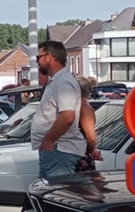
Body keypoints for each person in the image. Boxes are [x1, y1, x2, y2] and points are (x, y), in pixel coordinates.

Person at [31, 41, 86, 179]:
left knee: (59, 190)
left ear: (50, 57)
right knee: (46, 190)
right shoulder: (56, 81)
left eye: (39, 57)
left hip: (59, 149)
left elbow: (67, 116)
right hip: (53, 149)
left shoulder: (64, 82)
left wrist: (48, 140)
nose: (37, 61)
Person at [75, 76, 103, 171]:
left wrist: (91, 150)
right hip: (79, 153)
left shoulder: (84, 108)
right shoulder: (79, 107)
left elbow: (91, 138)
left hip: (81, 156)